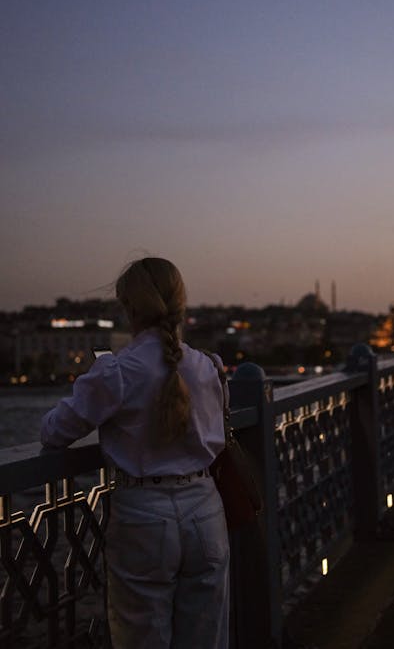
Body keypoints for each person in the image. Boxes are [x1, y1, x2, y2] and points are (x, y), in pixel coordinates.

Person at [40, 257, 229, 649]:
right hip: (205, 509)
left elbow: (55, 431)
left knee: (142, 635)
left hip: (144, 512)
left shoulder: (118, 371)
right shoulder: (208, 367)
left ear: (129, 307)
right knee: (205, 637)